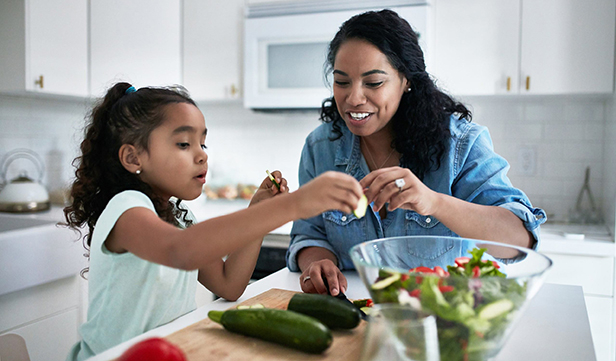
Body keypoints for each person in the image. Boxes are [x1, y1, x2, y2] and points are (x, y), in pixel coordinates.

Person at [63, 82, 364, 361]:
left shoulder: (179, 218)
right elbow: (179, 251)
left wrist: (256, 211)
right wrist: (294, 204)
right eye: (183, 144)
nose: (202, 156)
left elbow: (228, 284)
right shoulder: (126, 208)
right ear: (133, 158)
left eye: (203, 144)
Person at [286, 9, 547, 296]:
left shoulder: (460, 144)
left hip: (442, 318)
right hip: (353, 315)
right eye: (342, 81)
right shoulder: (320, 148)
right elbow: (309, 234)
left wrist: (434, 202)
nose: (354, 98)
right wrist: (319, 261)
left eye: (373, 83)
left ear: (406, 80)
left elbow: (519, 240)